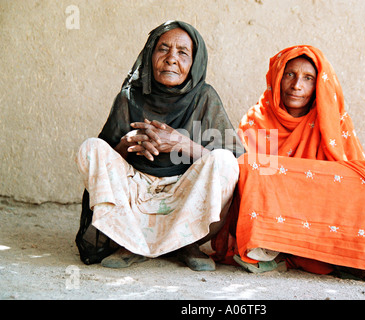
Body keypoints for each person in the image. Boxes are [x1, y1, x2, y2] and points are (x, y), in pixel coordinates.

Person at [212, 45, 365, 285]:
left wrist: (309, 180)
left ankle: (356, 259)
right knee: (253, 167)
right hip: (276, 210)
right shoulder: (257, 119)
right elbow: (248, 178)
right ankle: (270, 249)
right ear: (277, 76)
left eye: (308, 78)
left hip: (320, 206)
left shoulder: (331, 119)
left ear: (319, 85)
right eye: (289, 74)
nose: (297, 85)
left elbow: (350, 169)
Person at [75, 20, 244, 271]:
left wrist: (180, 143)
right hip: (136, 190)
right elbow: (106, 154)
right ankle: (129, 242)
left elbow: (236, 158)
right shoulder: (130, 95)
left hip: (183, 191)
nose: (171, 59)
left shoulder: (205, 97)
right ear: (150, 54)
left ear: (194, 62)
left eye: (182, 52)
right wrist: (128, 145)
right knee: (91, 148)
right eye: (163, 49)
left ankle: (187, 244)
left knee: (224, 161)